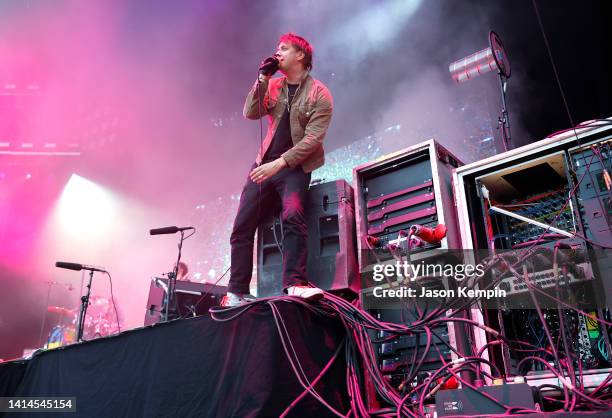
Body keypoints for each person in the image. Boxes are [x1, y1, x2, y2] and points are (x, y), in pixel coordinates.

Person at [222, 33, 333, 307]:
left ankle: (295, 283)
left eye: (283, 48)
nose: (277, 52)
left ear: (301, 55)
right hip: (263, 164)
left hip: (293, 167)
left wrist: (279, 164)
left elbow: (312, 140)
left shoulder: (320, 94)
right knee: (242, 226)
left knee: (293, 215)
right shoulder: (273, 85)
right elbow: (250, 112)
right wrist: (262, 79)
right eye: (277, 49)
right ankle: (237, 291)